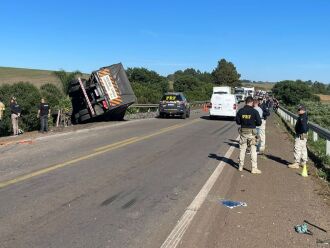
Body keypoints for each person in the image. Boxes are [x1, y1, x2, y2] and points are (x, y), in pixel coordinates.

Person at [236, 96, 262, 174]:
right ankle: (254, 168)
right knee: (253, 150)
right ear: (251, 102)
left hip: (243, 133)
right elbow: (259, 123)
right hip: (252, 133)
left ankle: (240, 166)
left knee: (242, 149)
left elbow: (238, 122)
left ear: (245, 102)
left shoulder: (240, 111)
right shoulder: (254, 111)